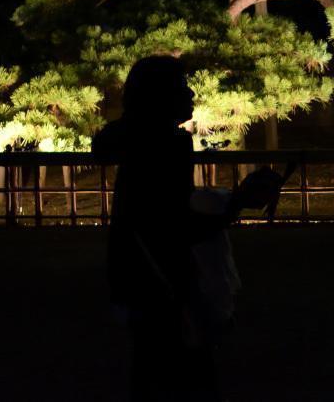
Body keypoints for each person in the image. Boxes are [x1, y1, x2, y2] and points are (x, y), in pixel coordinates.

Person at [93, 56, 246, 401]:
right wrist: (235, 206)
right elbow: (174, 224)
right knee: (184, 375)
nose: (190, 93)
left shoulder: (134, 138)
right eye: (180, 86)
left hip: (133, 274)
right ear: (160, 96)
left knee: (147, 369)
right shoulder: (168, 143)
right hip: (165, 280)